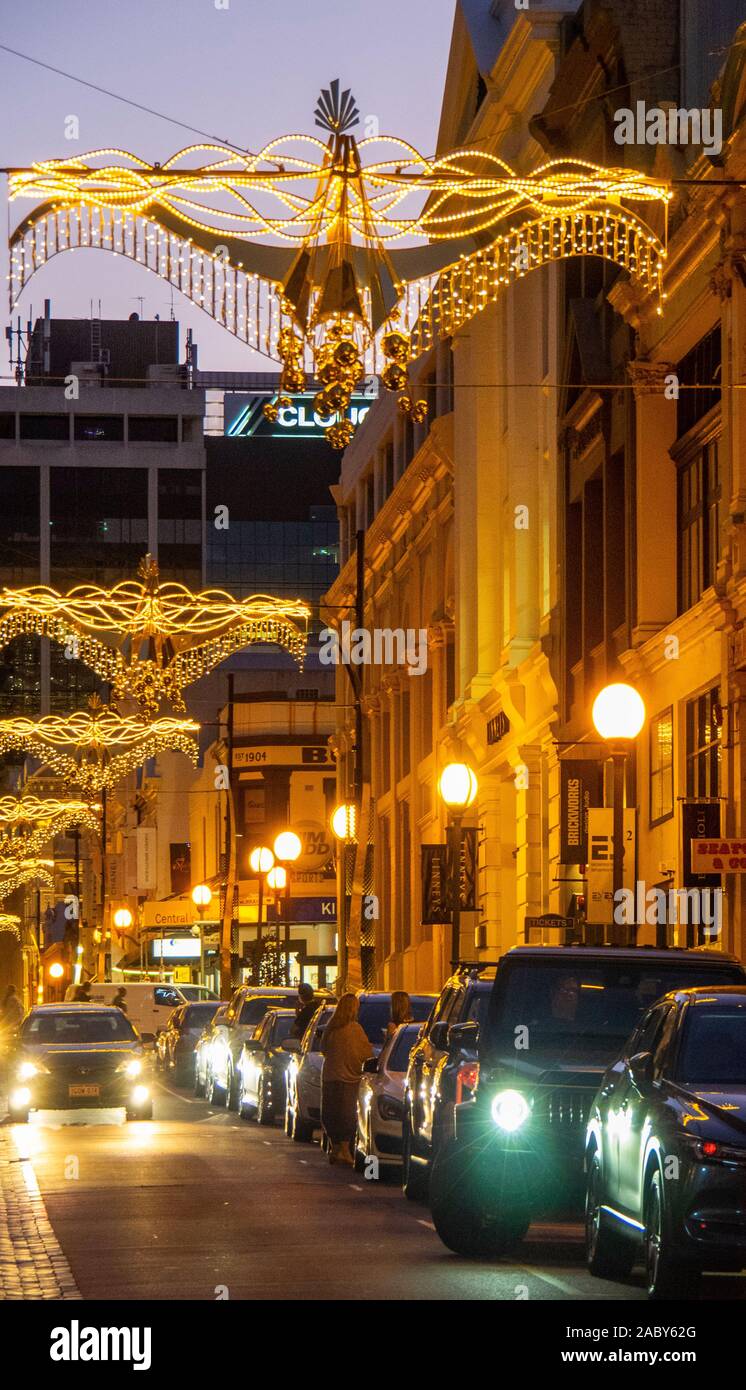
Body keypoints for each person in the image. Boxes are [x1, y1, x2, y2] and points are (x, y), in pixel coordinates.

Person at [320, 993, 372, 1165]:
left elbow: (324, 1049)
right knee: (346, 1114)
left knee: (331, 1111)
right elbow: (365, 1053)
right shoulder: (355, 1029)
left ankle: (335, 1147)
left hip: (330, 1075)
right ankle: (343, 1149)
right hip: (349, 1078)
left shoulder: (331, 1028)